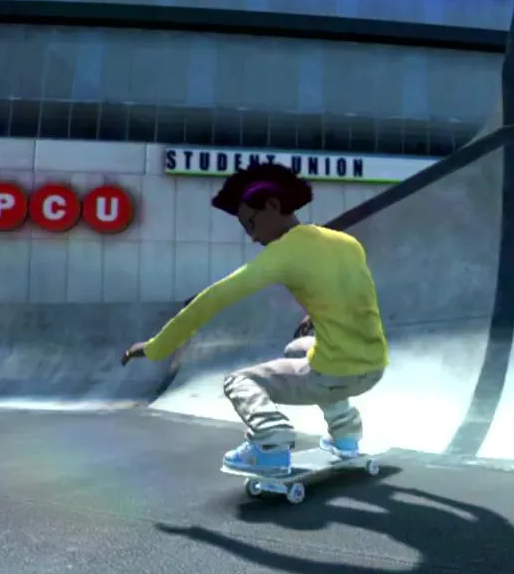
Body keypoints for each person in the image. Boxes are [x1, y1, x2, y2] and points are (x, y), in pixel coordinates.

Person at [121, 163, 390, 476]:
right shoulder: (346, 243)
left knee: (240, 381)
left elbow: (209, 301)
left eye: (251, 224)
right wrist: (315, 314)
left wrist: (155, 347)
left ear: (272, 206)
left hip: (334, 375)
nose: (252, 237)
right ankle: (345, 436)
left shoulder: (280, 254)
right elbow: (355, 293)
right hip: (374, 366)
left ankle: (270, 443)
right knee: (298, 349)